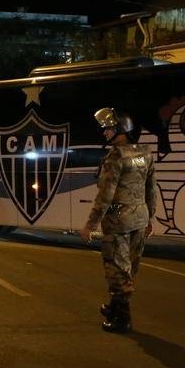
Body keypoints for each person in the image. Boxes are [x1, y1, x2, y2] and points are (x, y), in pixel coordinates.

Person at [79, 107, 157, 333]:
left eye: (108, 128)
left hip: (118, 222)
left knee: (115, 268)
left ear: (121, 129)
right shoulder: (145, 153)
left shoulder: (115, 157)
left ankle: (122, 319)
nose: (104, 132)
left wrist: (90, 225)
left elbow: (105, 196)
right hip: (139, 219)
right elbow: (151, 188)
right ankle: (113, 306)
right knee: (129, 267)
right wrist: (150, 217)